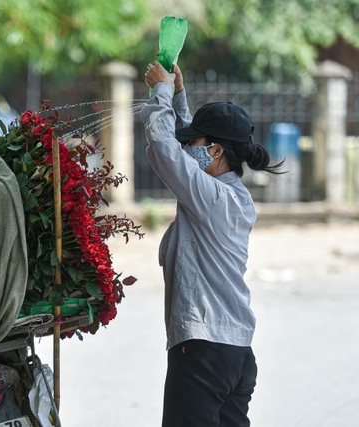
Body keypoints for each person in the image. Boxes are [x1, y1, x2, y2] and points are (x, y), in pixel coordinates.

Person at [139, 60, 284, 427]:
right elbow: (187, 149)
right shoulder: (233, 196)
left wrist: (161, 92)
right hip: (235, 354)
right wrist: (179, 95)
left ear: (216, 152)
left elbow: (164, 149)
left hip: (202, 351)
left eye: (198, 143)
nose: (190, 148)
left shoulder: (209, 198)